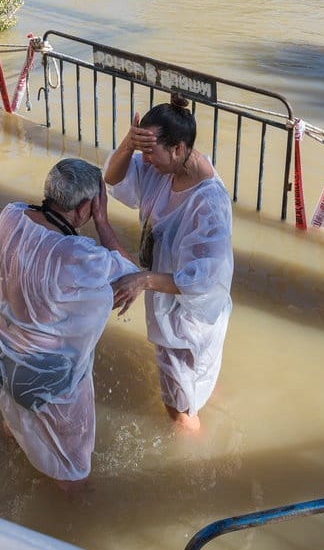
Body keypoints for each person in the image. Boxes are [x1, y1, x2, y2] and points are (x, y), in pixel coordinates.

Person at [0, 158, 136, 490]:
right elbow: (131, 274)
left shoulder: (10, 215)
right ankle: (73, 516)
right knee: (73, 469)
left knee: (16, 420)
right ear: (84, 209)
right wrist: (104, 222)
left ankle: (10, 462)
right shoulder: (76, 253)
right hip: (42, 374)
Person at [104, 93, 234, 433]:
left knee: (178, 412)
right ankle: (211, 411)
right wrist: (127, 145)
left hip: (190, 316)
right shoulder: (163, 169)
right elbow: (114, 179)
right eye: (142, 151)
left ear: (177, 148)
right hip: (174, 304)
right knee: (200, 379)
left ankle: (191, 467)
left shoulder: (209, 204)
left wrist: (143, 280)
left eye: (151, 151)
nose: (145, 161)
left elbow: (203, 279)